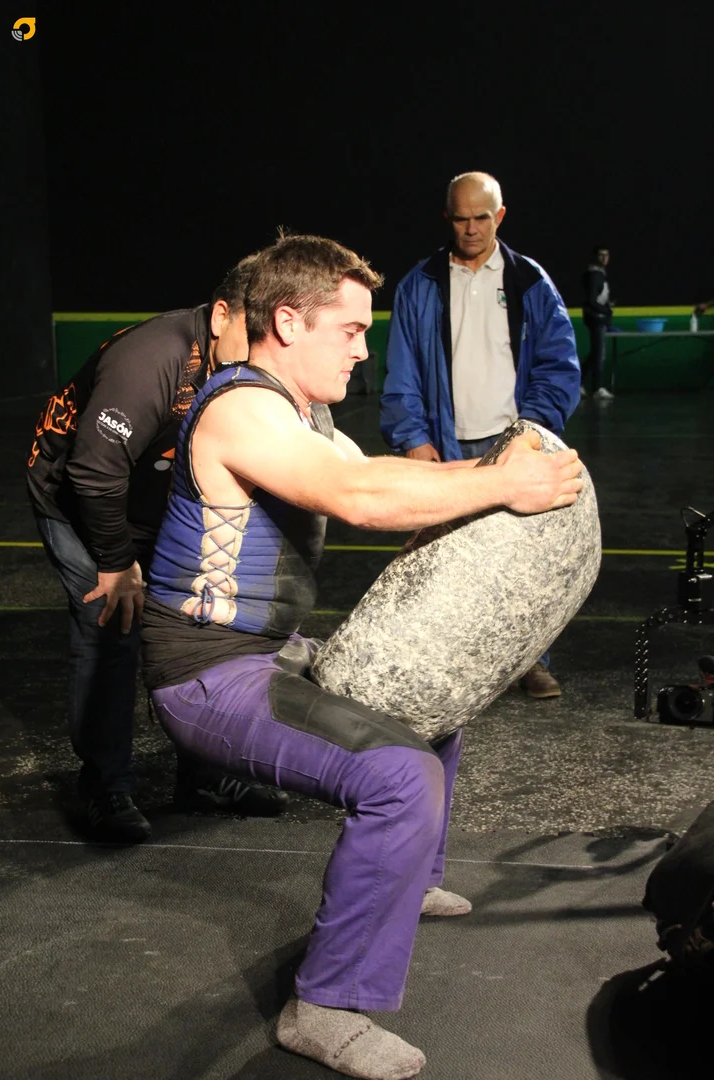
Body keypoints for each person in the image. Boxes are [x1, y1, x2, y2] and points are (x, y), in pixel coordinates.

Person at [141, 232, 583, 1078]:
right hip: (205, 674)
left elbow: (391, 481)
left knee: (428, 695)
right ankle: (325, 1008)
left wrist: (498, 466)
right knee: (400, 776)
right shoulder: (242, 409)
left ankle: (406, 879)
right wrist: (502, 484)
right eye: (349, 329)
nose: (363, 349)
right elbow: (359, 498)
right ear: (288, 322)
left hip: (266, 652)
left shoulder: (304, 417)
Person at [26, 256, 288, 843]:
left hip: (160, 499)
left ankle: (206, 778)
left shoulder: (247, 363)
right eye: (251, 334)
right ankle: (105, 788)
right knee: (112, 629)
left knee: (202, 628)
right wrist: (117, 563)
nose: (260, 355)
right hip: (79, 499)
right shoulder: (152, 358)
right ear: (220, 316)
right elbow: (94, 473)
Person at [379, 171, 580, 700]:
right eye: (461, 219)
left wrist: (532, 432)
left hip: (516, 446)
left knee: (525, 563)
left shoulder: (530, 281)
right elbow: (401, 372)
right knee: (441, 564)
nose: (471, 229)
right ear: (447, 218)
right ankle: (452, 670)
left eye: (482, 218)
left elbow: (559, 366)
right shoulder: (419, 284)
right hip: (444, 448)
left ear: (500, 216)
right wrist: (413, 437)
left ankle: (532, 663)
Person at [581, 246, 614, 399]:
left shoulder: (600, 274)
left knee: (595, 353)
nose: (604, 258)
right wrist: (607, 310)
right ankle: (597, 388)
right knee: (599, 354)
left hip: (598, 317)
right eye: (601, 255)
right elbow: (591, 300)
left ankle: (578, 383)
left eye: (606, 255)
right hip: (596, 318)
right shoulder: (594, 275)